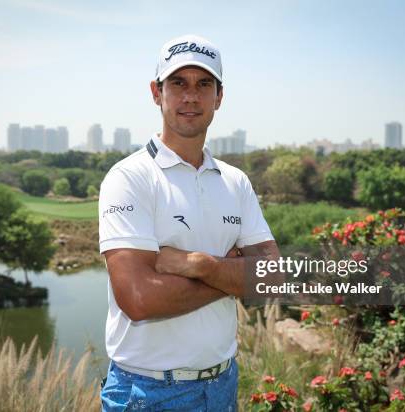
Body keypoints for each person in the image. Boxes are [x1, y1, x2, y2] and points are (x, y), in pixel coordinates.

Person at [98, 34, 280, 411]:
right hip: (148, 393)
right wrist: (232, 277)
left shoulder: (235, 181)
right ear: (156, 92)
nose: (191, 96)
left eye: (204, 84)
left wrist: (200, 265)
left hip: (223, 384)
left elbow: (272, 276)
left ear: (219, 96)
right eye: (178, 83)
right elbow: (138, 298)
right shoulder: (129, 178)